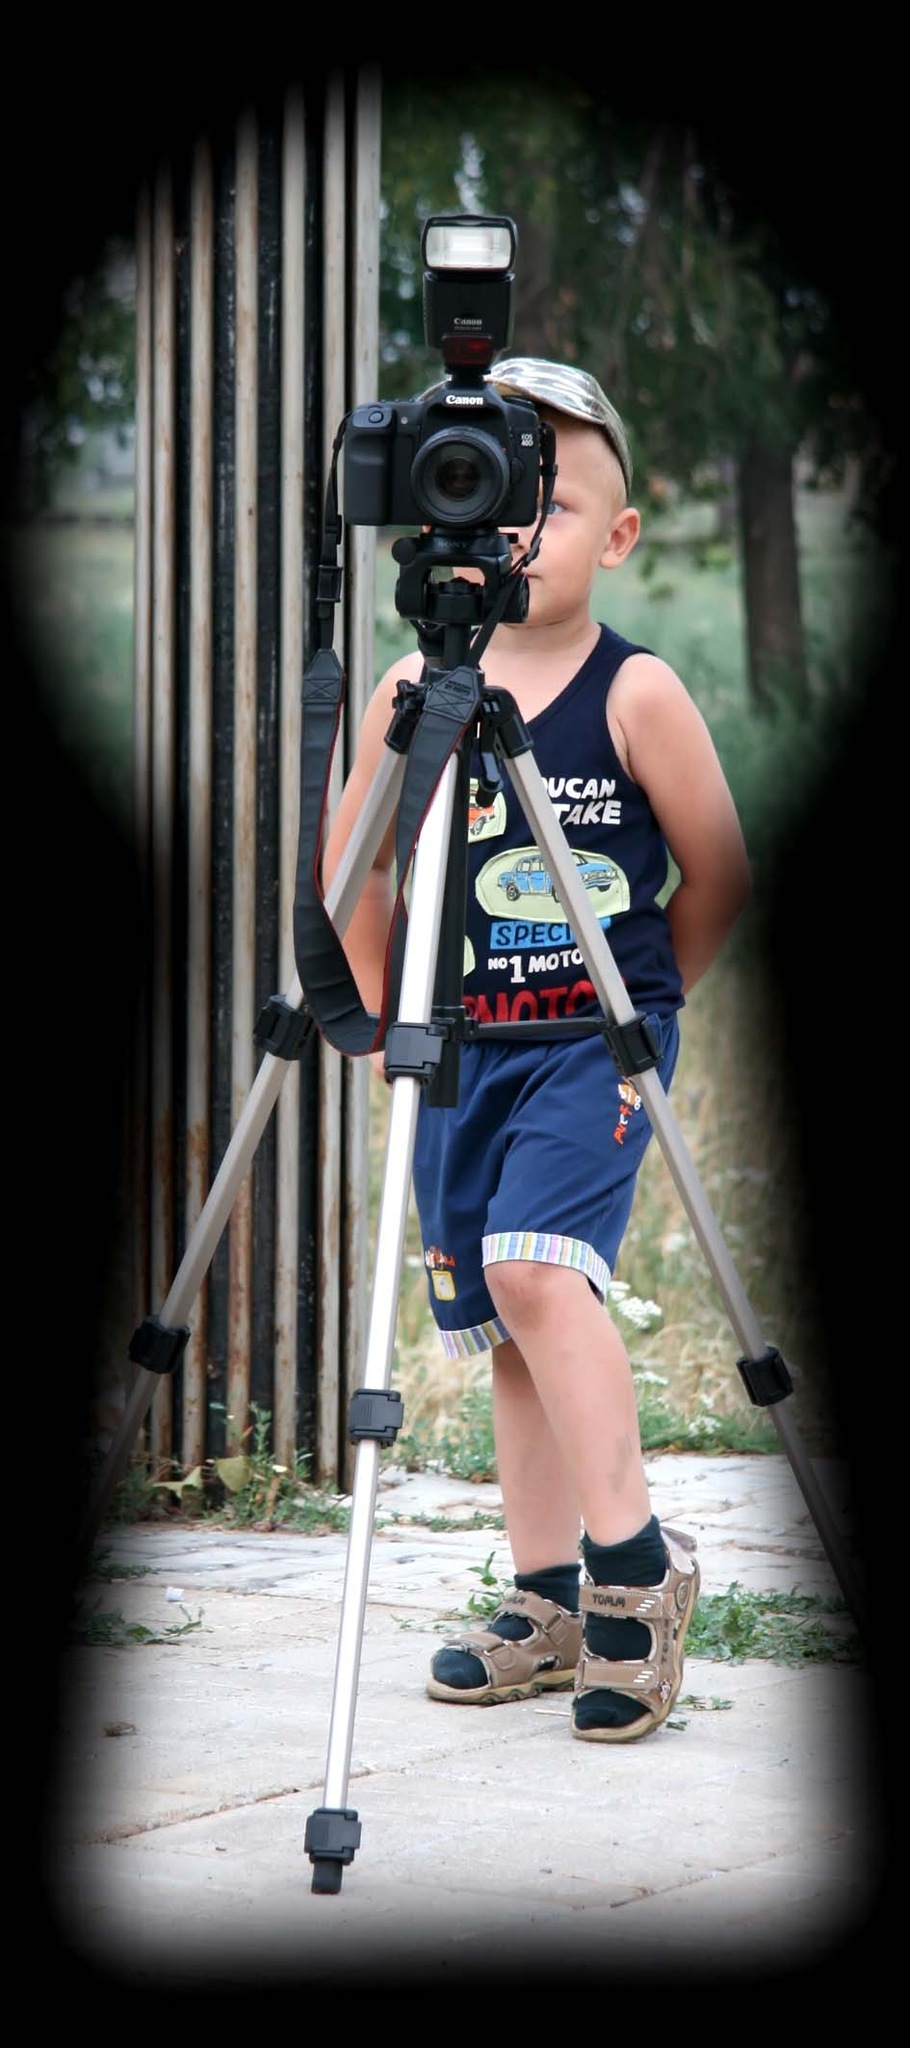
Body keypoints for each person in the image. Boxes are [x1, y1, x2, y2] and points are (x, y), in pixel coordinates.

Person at [321, 356, 752, 1742]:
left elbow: (717, 871)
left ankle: (637, 1571)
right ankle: (545, 1594)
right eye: (492, 496)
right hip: (461, 1044)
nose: (517, 527)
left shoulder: (636, 692)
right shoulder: (412, 687)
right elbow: (354, 872)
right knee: (508, 1320)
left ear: (616, 537)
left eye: (552, 503)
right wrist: (382, 1017)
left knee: (535, 1271)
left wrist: (644, 1011)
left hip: (588, 1045)